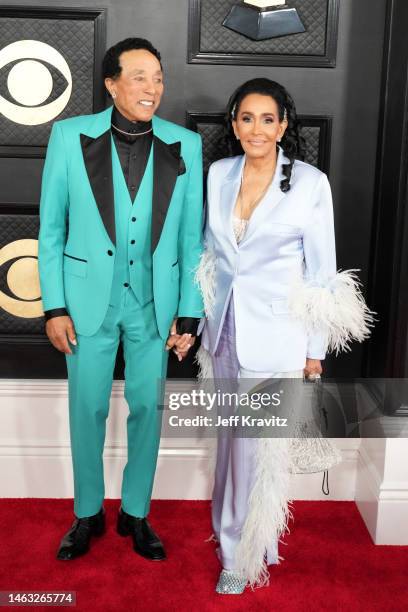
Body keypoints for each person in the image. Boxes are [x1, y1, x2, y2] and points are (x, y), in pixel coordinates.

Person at [196, 78, 373, 594]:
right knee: (233, 444)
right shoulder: (218, 173)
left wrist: (314, 354)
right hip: (222, 329)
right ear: (233, 125)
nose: (256, 129)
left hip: (276, 336)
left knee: (256, 450)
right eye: (246, 118)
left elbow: (322, 275)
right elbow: (211, 254)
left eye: (267, 119)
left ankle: (240, 555)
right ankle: (247, 536)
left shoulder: (312, 184)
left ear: (284, 125)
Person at [38, 38, 203, 560]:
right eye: (138, 77)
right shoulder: (68, 137)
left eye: (157, 77)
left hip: (155, 304)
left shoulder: (185, 145)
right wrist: (54, 306)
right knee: (86, 409)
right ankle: (87, 513)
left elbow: (192, 240)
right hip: (87, 303)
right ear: (111, 84)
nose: (151, 87)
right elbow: (51, 232)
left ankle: (136, 512)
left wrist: (189, 312)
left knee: (147, 408)